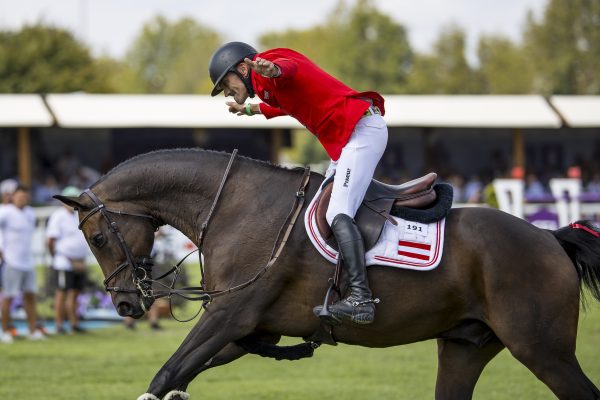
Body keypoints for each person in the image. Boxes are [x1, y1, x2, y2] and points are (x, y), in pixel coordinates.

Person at [209, 42, 388, 325]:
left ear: (242, 68)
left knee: (337, 213)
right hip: (350, 140)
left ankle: (361, 299)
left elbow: (293, 68)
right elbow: (287, 106)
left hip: (361, 134)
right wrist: (253, 111)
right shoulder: (267, 86)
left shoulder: (266, 67)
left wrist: (275, 69)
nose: (227, 92)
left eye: (226, 84)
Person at [0, 185, 44, 343]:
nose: (22, 199)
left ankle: (32, 332)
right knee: (8, 297)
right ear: (13, 197)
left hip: (28, 262)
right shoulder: (5, 212)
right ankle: (5, 332)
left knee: (30, 297)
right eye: (19, 196)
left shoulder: (30, 213)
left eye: (25, 197)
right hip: (11, 261)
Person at [46, 186, 89, 334]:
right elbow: (51, 240)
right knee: (62, 293)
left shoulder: (80, 215)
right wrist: (58, 256)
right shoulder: (58, 216)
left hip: (79, 262)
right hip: (64, 261)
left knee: (75, 293)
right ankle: (59, 324)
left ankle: (74, 323)